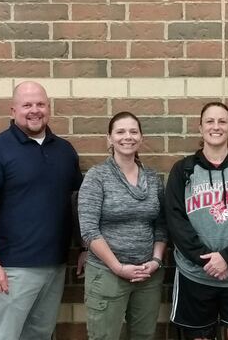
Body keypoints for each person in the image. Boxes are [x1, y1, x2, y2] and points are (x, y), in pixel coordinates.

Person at [0, 81, 83, 340]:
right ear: (12, 110)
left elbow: (77, 203)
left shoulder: (64, 151)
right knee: (3, 336)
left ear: (49, 108)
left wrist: (84, 248)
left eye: (40, 104)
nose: (35, 110)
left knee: (40, 335)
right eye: (27, 105)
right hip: (13, 268)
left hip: (55, 265)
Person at [165, 102, 228, 340]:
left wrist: (227, 258)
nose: (216, 127)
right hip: (195, 275)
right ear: (200, 128)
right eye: (210, 121)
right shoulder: (183, 170)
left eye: (222, 121)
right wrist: (208, 262)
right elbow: (176, 221)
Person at [78, 111, 168, 340]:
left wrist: (156, 261)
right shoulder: (97, 177)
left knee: (144, 337)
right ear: (109, 139)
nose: (127, 137)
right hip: (108, 274)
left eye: (133, 131)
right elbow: (89, 230)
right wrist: (118, 267)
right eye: (120, 132)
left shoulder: (152, 177)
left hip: (148, 276)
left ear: (141, 137)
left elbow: (161, 225)